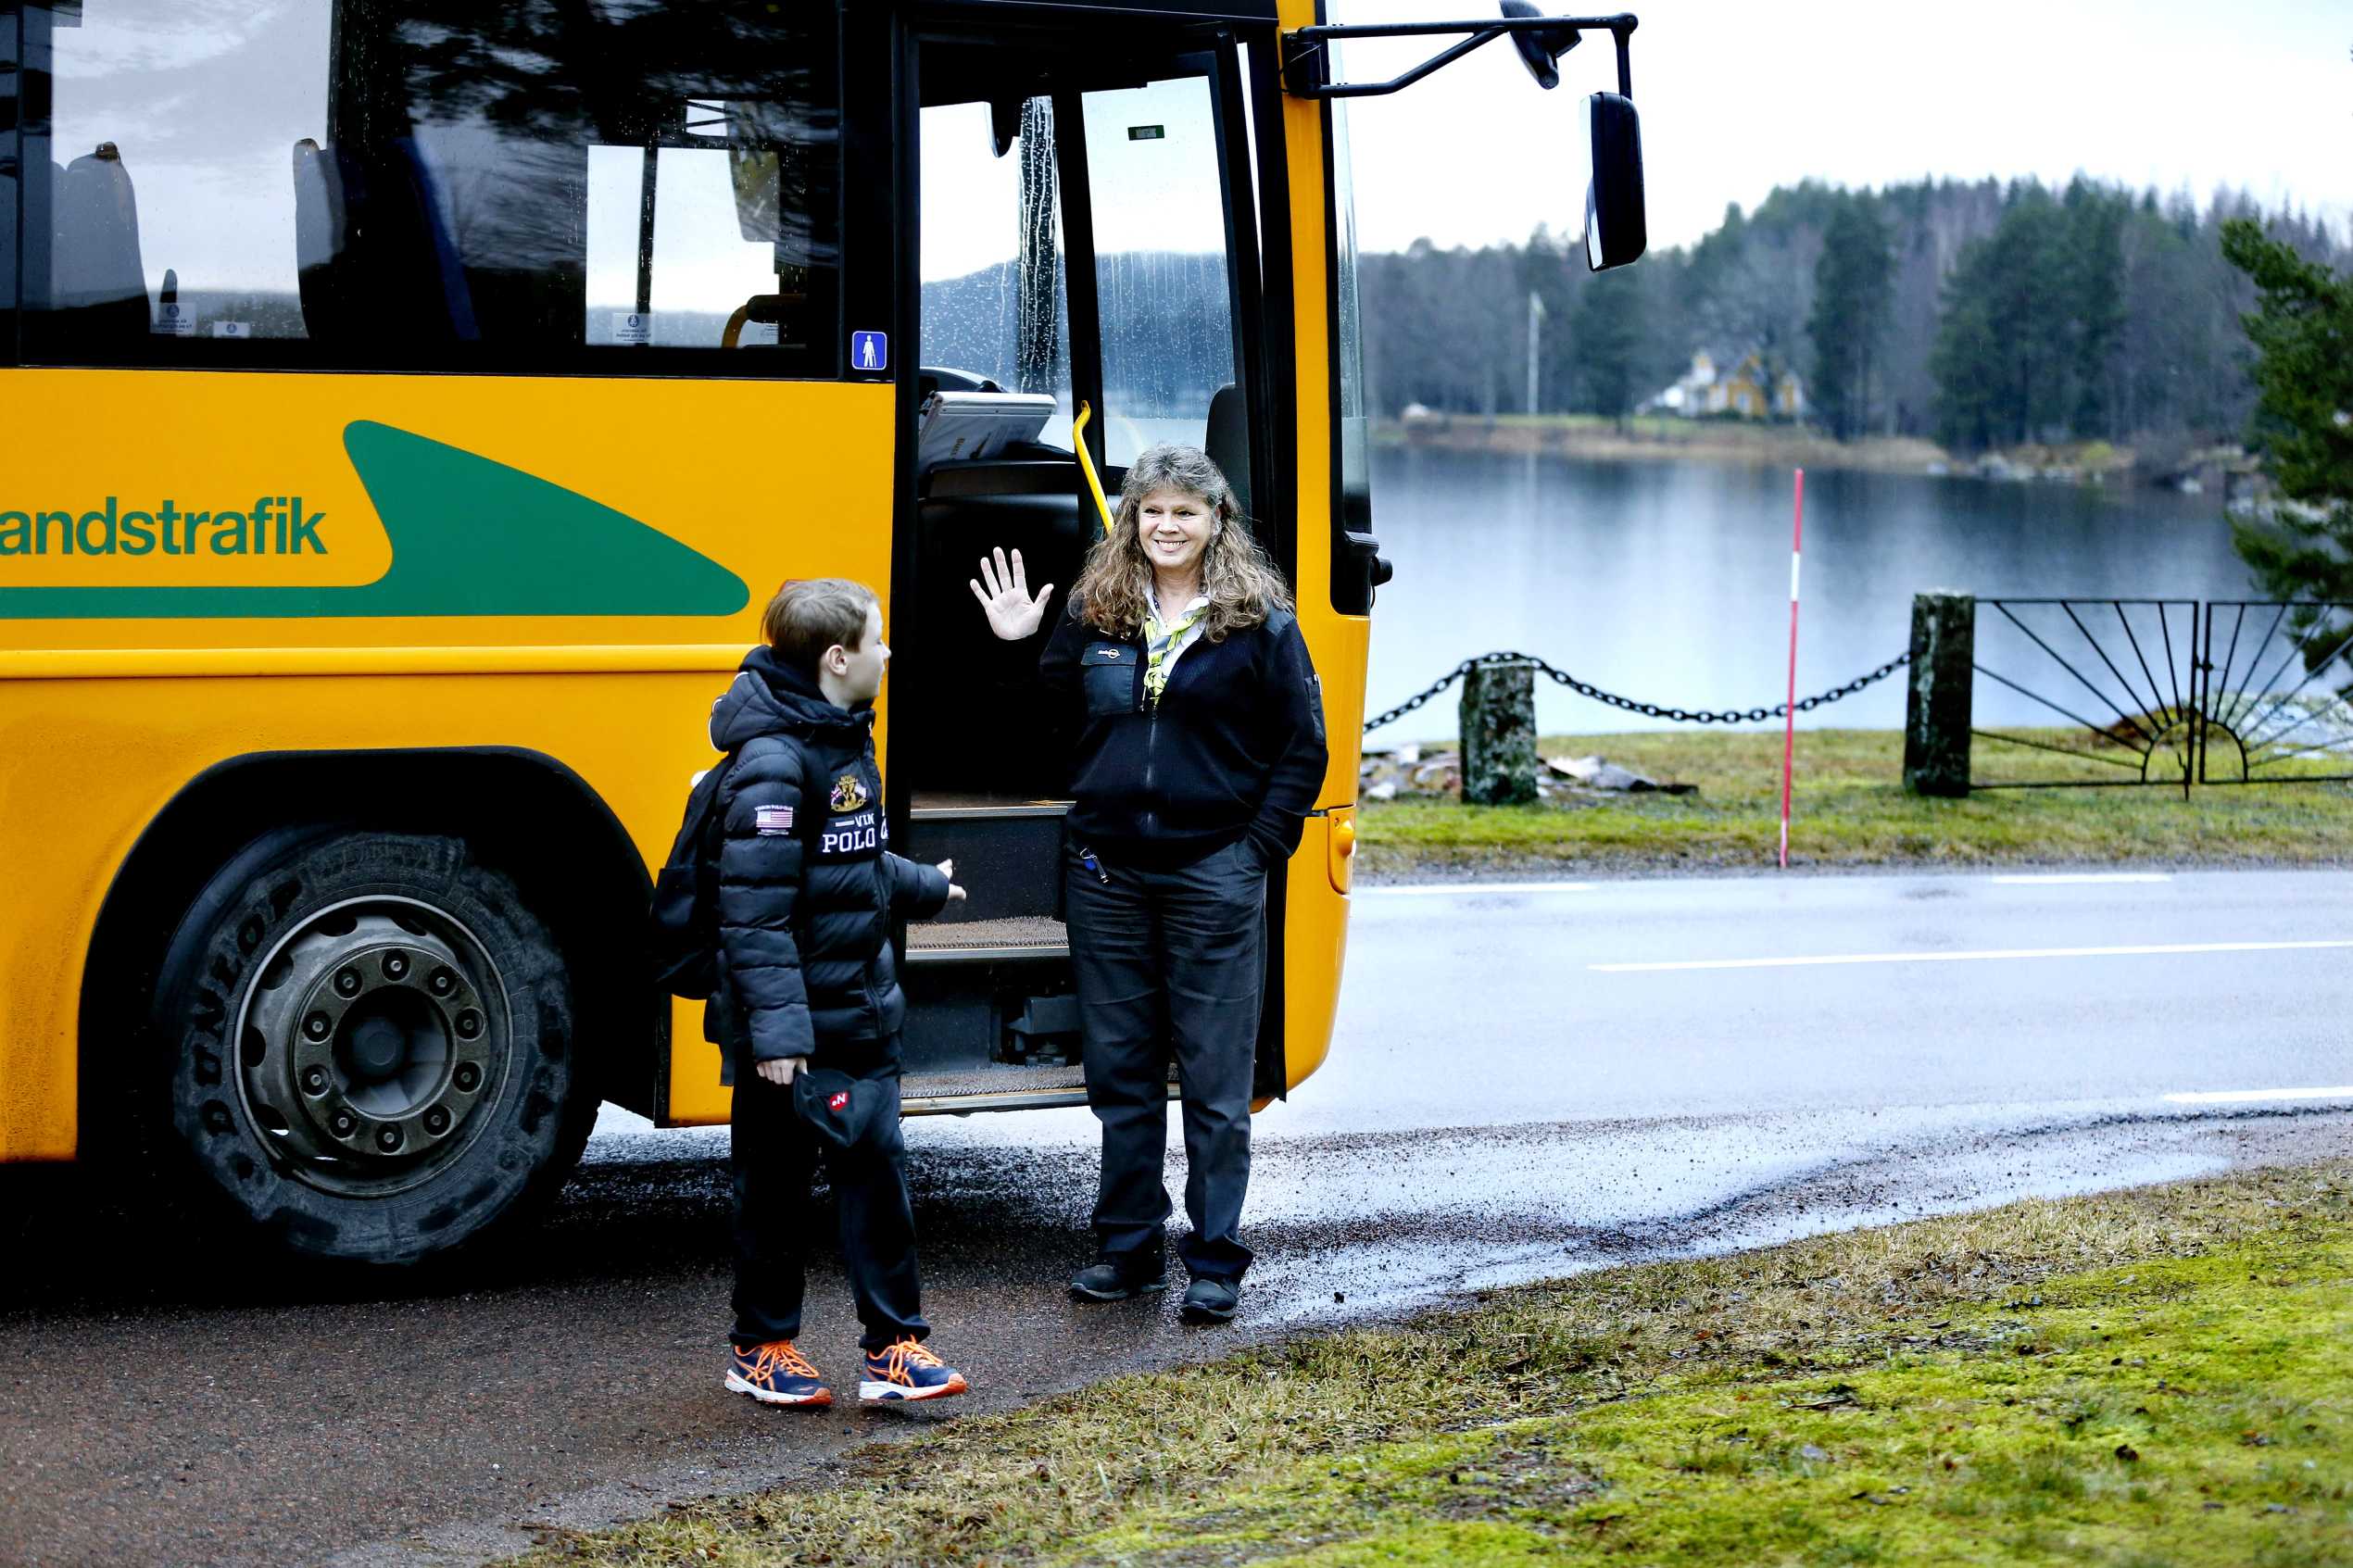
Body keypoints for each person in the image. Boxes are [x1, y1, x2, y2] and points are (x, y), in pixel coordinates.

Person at [971, 445, 1327, 1323]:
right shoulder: (1097, 613)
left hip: (1215, 874)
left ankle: (1213, 1261)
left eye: (1185, 512)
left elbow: (1303, 750)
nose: (1166, 526)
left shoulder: (1261, 624)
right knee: (1121, 1075)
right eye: (1151, 511)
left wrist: (1254, 852)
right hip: (1106, 875)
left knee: (1213, 1082)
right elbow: (1036, 725)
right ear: (1130, 521)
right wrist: (1017, 649)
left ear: (1217, 523)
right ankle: (1128, 1250)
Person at [706, 577, 970, 1407]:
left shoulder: (842, 733)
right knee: (777, 1186)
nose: (889, 653)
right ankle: (764, 1348)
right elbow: (754, 917)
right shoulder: (775, 765)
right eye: (878, 639)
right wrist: (781, 1036)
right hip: (794, 1029)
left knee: (872, 1173)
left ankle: (890, 1349)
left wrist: (927, 884)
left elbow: (848, 863)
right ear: (837, 657)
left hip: (854, 1007)